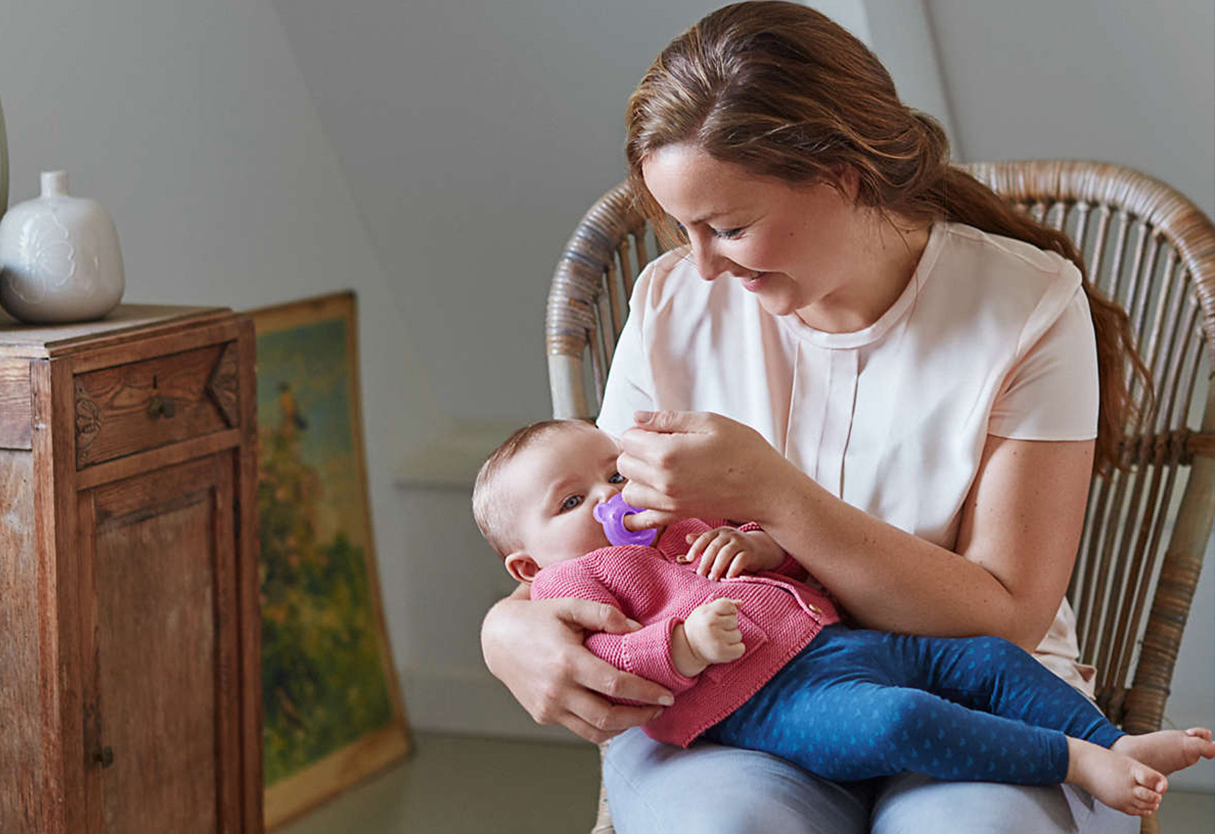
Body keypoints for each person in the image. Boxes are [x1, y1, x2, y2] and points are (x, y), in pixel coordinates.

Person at [480, 3, 1164, 831]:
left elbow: (1007, 613)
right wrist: (504, 629)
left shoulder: (1026, 307)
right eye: (682, 230)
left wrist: (775, 496)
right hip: (731, 701)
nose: (701, 265)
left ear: (844, 175)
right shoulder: (673, 301)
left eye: (729, 227)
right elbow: (604, 545)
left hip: (959, 679)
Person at [472, 419, 1214, 817]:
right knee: (899, 721)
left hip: (845, 640)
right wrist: (685, 645)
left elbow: (790, 552)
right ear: (528, 569)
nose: (609, 497)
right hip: (770, 702)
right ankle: (1074, 760)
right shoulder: (578, 582)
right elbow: (616, 657)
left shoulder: (678, 514)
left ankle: (1114, 740)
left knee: (986, 659)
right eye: (572, 502)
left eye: (612, 472)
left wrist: (760, 545)